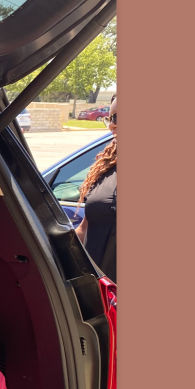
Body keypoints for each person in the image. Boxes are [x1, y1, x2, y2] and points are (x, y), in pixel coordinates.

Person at [77, 106, 116, 281]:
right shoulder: (106, 168)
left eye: (118, 118)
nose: (111, 125)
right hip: (97, 287)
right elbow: (85, 228)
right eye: (110, 118)